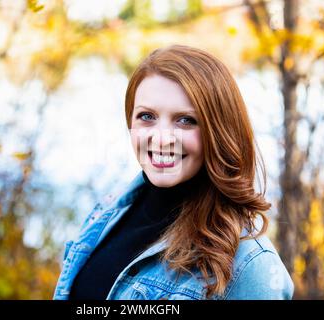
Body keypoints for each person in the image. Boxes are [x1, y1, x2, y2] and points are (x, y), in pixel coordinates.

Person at [53, 44, 294, 300]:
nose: (161, 138)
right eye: (147, 116)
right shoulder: (106, 214)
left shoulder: (250, 265)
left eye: (185, 120)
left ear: (220, 131)